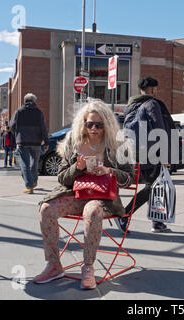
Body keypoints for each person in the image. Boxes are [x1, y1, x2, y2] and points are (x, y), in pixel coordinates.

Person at [33, 99, 134, 290]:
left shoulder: (118, 143)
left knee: (92, 211)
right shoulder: (74, 140)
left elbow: (129, 178)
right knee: (46, 208)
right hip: (76, 194)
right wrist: (77, 168)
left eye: (99, 125)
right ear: (83, 123)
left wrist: (109, 171)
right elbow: (62, 178)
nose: (94, 129)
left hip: (103, 198)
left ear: (107, 124)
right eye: (89, 124)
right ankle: (54, 265)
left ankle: (88, 268)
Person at [117, 77, 175, 234]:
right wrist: (165, 156)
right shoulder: (152, 104)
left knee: (156, 187)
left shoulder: (131, 106)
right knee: (152, 187)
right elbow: (161, 130)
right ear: (153, 89)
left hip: (137, 152)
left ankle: (157, 222)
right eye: (156, 88)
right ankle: (125, 214)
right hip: (152, 153)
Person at [10, 93, 49, 194]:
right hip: (36, 141)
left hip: (23, 141)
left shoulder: (19, 111)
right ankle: (34, 181)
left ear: (24, 101)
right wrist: (46, 141)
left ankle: (29, 186)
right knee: (34, 163)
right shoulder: (39, 112)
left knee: (25, 164)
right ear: (34, 101)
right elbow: (43, 128)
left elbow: (12, 125)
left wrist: (17, 133)